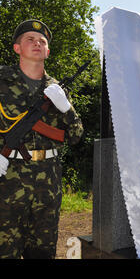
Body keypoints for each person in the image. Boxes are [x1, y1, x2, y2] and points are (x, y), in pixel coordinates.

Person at [0, 19, 84, 259]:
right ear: (17, 48)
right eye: (30, 39)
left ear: (47, 51)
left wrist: (66, 107)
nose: (37, 43)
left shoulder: (56, 90)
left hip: (48, 183)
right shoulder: (2, 80)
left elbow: (76, 137)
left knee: (42, 251)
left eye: (42, 41)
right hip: (8, 181)